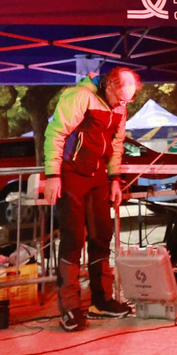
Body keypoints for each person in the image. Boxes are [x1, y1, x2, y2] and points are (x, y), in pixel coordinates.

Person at [40, 65, 141, 331]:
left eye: (127, 101)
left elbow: (116, 144)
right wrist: (53, 175)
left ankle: (102, 300)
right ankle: (71, 307)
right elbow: (55, 133)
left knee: (101, 236)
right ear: (110, 85)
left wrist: (114, 179)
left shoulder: (120, 106)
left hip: (98, 178)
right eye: (121, 98)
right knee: (73, 238)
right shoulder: (79, 96)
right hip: (71, 174)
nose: (123, 104)